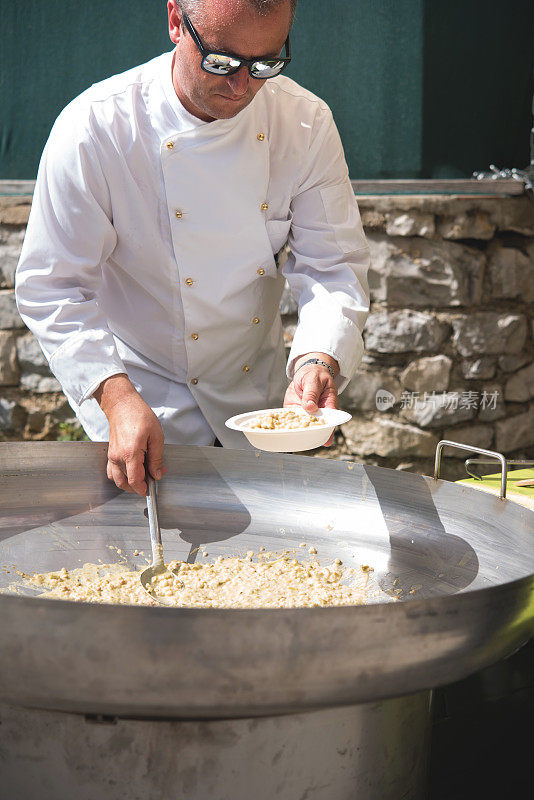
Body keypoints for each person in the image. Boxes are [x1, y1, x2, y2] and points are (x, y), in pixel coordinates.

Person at [15, 0, 370, 496]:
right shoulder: (96, 127)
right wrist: (116, 399)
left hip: (255, 402)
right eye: (221, 61)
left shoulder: (305, 123)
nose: (241, 84)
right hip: (140, 396)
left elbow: (333, 265)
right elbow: (53, 288)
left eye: (265, 64)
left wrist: (319, 360)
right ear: (176, 21)